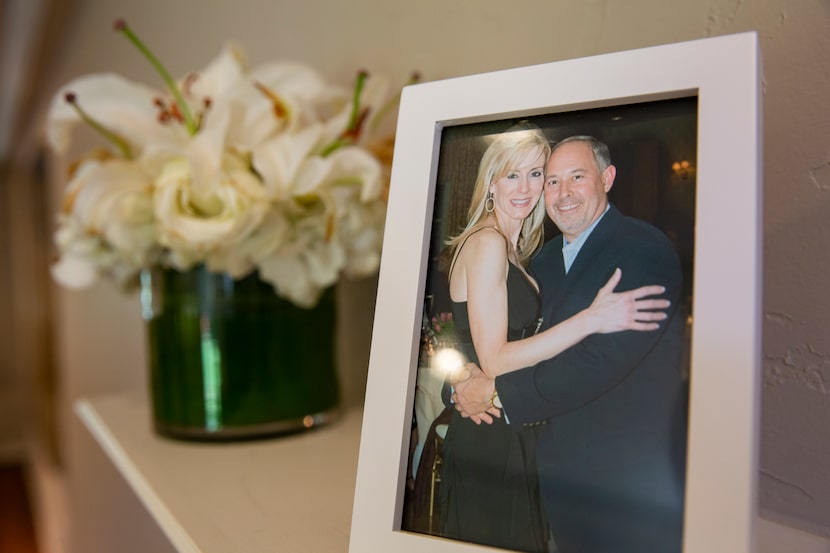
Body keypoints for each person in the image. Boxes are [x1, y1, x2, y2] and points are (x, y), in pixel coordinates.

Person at [438, 127, 672, 553]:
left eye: (539, 175)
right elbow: (489, 351)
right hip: (503, 445)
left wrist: (484, 392)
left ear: (608, 178)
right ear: (491, 181)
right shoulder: (509, 250)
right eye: (549, 179)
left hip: (605, 474)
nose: (552, 190)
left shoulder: (639, 248)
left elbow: (598, 363)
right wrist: (459, 389)